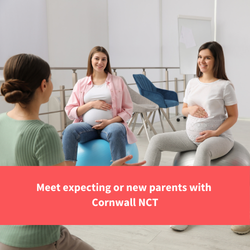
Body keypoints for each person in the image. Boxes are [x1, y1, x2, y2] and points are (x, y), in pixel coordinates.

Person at [0, 54, 145, 250]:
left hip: (5, 234)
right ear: (44, 84)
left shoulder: (1, 122)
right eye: (51, 79)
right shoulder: (43, 132)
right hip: (40, 238)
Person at [144, 41, 238, 232]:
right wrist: (192, 109)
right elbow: (184, 109)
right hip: (190, 136)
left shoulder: (224, 86)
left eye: (207, 58)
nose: (202, 61)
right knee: (156, 141)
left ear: (216, 60)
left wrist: (214, 133)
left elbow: (233, 116)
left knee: (203, 149)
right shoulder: (192, 82)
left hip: (219, 138)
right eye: (200, 57)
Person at [62, 46, 136, 166]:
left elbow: (128, 109)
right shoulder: (81, 83)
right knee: (69, 131)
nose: (100, 62)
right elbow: (70, 110)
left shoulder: (118, 81)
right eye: (97, 58)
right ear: (91, 60)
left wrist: (110, 122)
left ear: (107, 62)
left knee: (117, 129)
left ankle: (120, 171)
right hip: (87, 128)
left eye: (104, 59)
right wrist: (91, 104)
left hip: (110, 126)